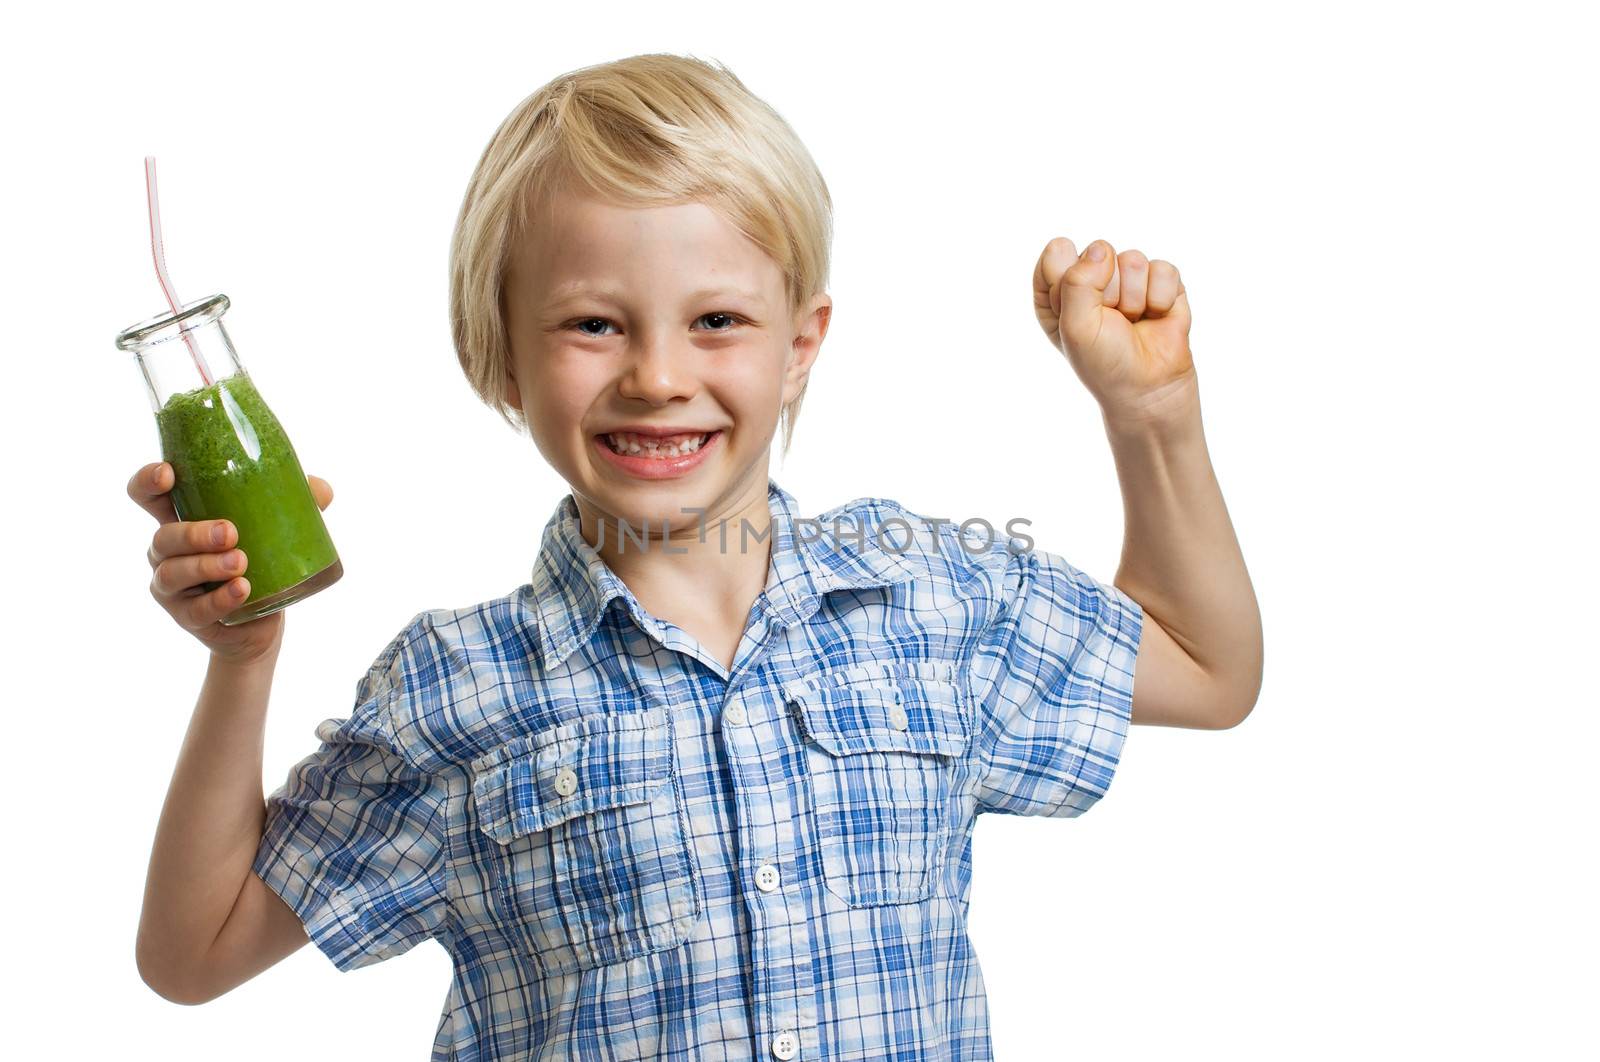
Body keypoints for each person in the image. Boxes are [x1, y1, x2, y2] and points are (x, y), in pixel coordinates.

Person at [130, 52, 1263, 1061]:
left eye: (715, 321)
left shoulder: (930, 600)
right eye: (593, 324)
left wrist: (1151, 414)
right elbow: (198, 951)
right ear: (500, 357)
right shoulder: (457, 690)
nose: (659, 374)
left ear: (799, 344)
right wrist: (243, 659)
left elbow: (1208, 671)